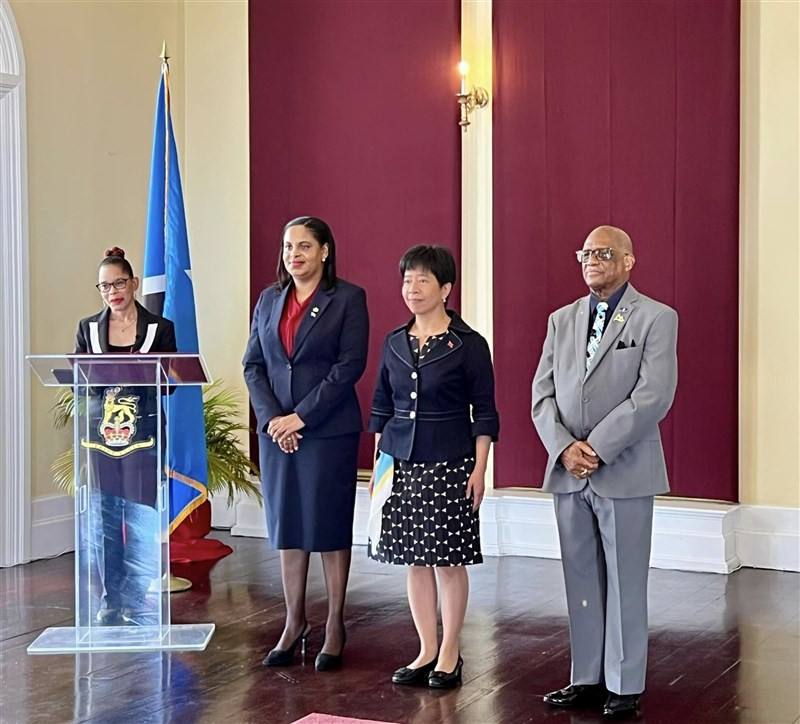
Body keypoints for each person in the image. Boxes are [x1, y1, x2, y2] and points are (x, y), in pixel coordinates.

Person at [531, 226, 678, 718]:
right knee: (580, 579)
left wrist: (595, 447)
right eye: (586, 254)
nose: (592, 260)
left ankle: (624, 682)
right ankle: (587, 677)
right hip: (569, 472)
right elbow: (542, 395)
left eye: (604, 253)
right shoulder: (561, 320)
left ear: (629, 261)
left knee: (625, 579)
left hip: (626, 469)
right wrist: (564, 448)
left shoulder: (657, 317)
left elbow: (653, 394)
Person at [367, 245, 499, 689]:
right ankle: (425, 649)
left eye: (423, 280)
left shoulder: (469, 346)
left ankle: (450, 652)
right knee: (413, 560)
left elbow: (484, 413)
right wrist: (379, 471)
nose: (413, 288)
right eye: (407, 280)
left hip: (451, 461)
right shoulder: (392, 342)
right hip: (400, 463)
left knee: (447, 560)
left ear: (445, 288)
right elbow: (382, 407)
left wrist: (480, 470)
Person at [243, 216, 368, 671]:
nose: (294, 254)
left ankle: (335, 623)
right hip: (277, 433)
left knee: (329, 526)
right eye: (288, 246)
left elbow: (349, 366)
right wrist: (275, 419)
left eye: (304, 246)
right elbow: (253, 365)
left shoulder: (348, 299)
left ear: (324, 251)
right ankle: (294, 621)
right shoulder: (269, 299)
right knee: (288, 524)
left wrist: (301, 416)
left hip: (327, 430)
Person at [75, 247, 177, 626]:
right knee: (104, 523)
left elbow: (170, 386)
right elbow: (80, 385)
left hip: (144, 439)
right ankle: (110, 598)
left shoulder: (159, 329)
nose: (112, 292)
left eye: (118, 283)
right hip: (100, 440)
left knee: (137, 521)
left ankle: (134, 599)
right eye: (104, 286)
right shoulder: (87, 328)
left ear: (133, 283)